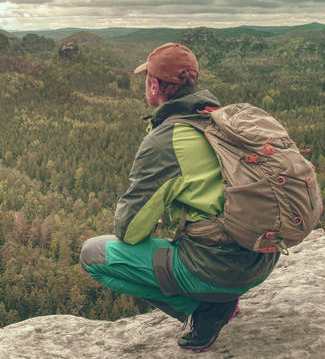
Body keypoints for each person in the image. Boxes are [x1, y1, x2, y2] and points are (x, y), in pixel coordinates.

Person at [80, 43, 279, 352]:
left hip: (217, 270)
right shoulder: (222, 121)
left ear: (155, 85)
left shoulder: (166, 140)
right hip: (263, 257)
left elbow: (129, 231)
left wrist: (152, 221)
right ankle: (220, 302)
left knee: (93, 255)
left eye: (147, 79)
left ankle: (206, 310)